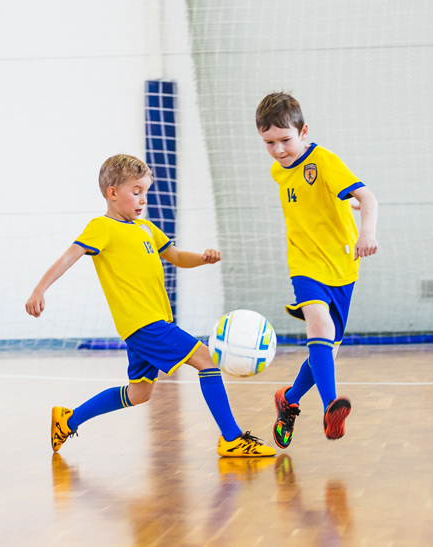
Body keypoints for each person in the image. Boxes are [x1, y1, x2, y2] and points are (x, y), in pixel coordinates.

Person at [25, 154, 275, 458]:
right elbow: (69, 257)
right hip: (144, 324)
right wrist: (39, 289)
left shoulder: (146, 228)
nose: (143, 199)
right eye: (136, 191)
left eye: (146, 191)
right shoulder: (101, 227)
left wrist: (202, 258)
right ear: (112, 192)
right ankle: (232, 438)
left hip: (152, 323)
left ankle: (68, 420)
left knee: (138, 393)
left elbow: (177, 256)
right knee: (206, 360)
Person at [254, 92, 379, 448]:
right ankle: (330, 408)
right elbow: (309, 203)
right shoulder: (279, 170)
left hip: (342, 265)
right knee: (320, 326)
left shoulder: (323, 160)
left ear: (304, 131)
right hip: (304, 264)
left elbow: (368, 197)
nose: (278, 150)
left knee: (325, 351)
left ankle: (289, 400)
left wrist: (366, 232)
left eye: (285, 140)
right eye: (269, 143)